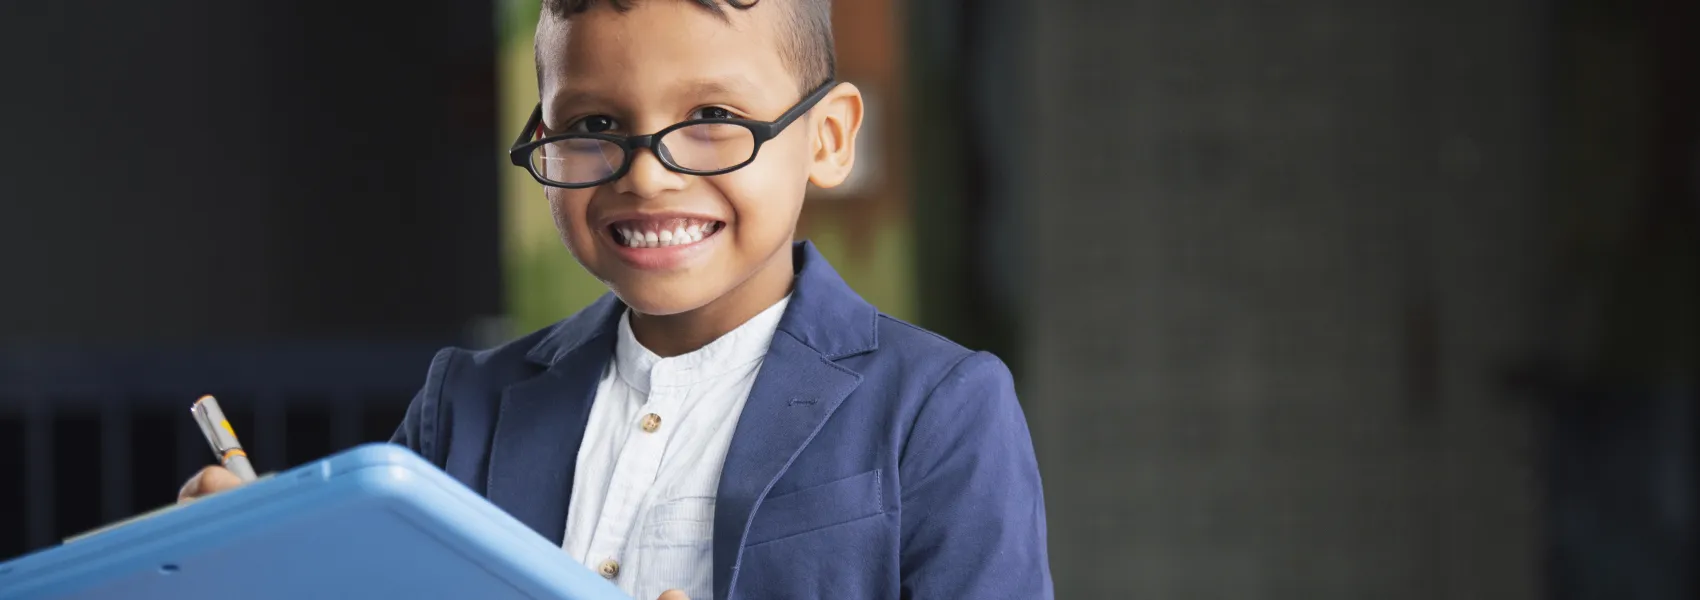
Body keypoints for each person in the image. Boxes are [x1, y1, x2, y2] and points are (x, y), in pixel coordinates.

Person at [179, 0, 1052, 598]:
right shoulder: (466, 407)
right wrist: (266, 567)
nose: (646, 174)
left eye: (713, 116)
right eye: (593, 125)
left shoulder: (938, 408)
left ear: (826, 139)